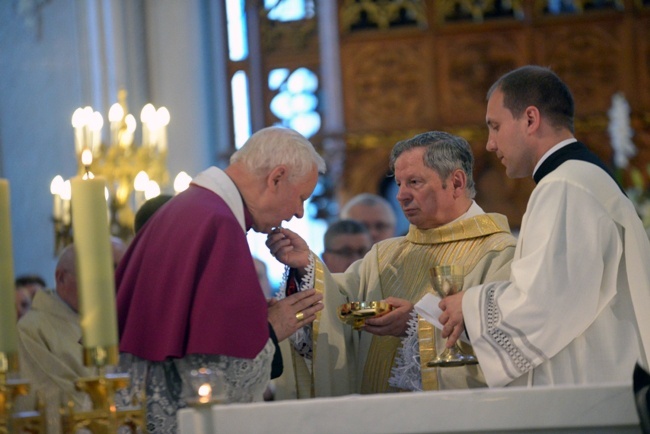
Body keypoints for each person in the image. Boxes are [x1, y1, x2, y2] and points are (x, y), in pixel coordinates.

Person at [440, 65, 650, 387]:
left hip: (591, 391)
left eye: (495, 127)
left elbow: (545, 301)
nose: (490, 145)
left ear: (530, 119)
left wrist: (467, 306)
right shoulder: (579, 178)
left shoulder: (566, 186)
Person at [267, 131, 517, 397]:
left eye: (414, 182)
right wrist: (306, 264)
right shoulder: (384, 255)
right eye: (399, 183)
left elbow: (509, 345)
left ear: (456, 182)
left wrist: (416, 325)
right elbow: (337, 310)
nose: (400, 195)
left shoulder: (500, 254)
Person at [115, 126, 326, 433]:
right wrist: (271, 328)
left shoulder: (193, 208)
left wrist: (250, 323)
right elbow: (215, 379)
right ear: (276, 178)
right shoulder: (218, 224)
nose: (298, 213)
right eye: (300, 197)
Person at [16, 239, 127, 434]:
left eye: (121, 271)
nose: (112, 281)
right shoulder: (32, 331)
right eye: (99, 272)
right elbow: (53, 403)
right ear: (61, 278)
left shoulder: (123, 321)